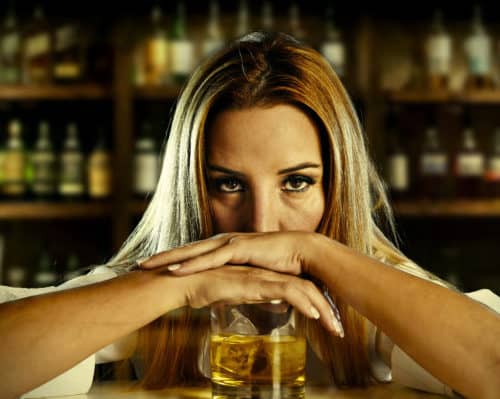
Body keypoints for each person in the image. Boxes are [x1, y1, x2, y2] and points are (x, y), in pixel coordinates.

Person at [1, 31, 499, 399]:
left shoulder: (379, 294)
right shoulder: (146, 285)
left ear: (337, 186)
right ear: (191, 189)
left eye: (297, 182)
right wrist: (181, 284)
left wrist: (314, 251)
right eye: (229, 184)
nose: (261, 226)